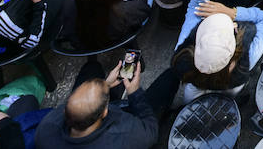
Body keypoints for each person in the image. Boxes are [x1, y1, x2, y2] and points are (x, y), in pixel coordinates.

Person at [34, 56, 177, 148]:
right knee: (170, 77)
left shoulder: (46, 129)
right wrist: (134, 93)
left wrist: (105, 84)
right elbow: (151, 131)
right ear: (104, 112)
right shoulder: (124, 136)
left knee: (92, 68)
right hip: (131, 119)